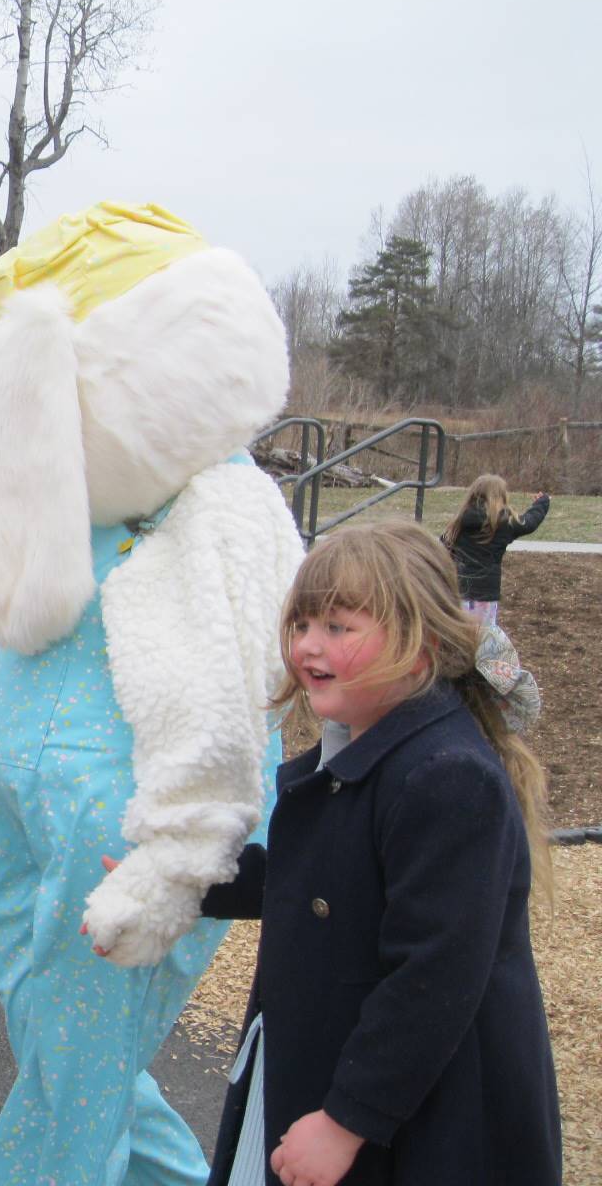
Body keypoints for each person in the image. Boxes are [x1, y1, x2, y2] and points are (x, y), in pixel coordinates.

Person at [192, 519, 561, 1186]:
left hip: (421, 1121)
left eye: (339, 627)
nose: (307, 646)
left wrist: (346, 1120)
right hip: (339, 1073)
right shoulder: (362, 750)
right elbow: (309, 877)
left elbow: (435, 976)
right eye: (303, 624)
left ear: (421, 646)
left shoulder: (447, 777)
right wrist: (186, 880)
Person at [441, 473, 549, 624]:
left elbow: (442, 549)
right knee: (484, 634)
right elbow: (530, 522)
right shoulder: (503, 523)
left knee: (461, 632)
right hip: (485, 594)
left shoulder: (459, 521)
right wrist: (542, 503)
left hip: (459, 590)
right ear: (501, 497)